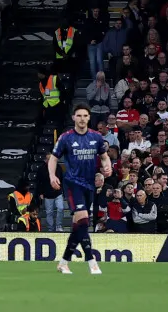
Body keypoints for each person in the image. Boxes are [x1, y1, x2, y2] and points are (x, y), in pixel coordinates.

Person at [48, 105, 112, 276]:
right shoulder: (66, 138)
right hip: (72, 183)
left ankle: (63, 263)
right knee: (83, 220)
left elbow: (105, 158)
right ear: (73, 117)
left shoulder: (96, 137)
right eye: (79, 115)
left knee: (79, 226)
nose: (82, 118)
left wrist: (108, 168)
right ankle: (92, 262)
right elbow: (53, 159)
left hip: (89, 185)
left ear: (89, 118)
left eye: (85, 115)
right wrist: (52, 176)